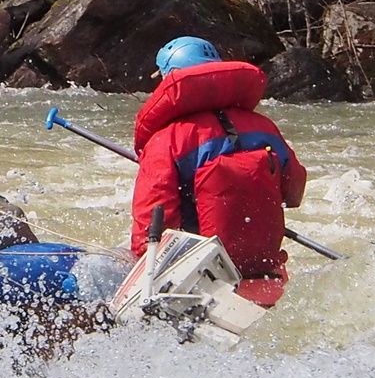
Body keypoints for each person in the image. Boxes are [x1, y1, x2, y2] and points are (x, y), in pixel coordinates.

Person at [129, 36, 309, 305]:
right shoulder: (265, 127)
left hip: (201, 284)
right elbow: (293, 194)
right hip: (267, 279)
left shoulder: (166, 140)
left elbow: (149, 235)